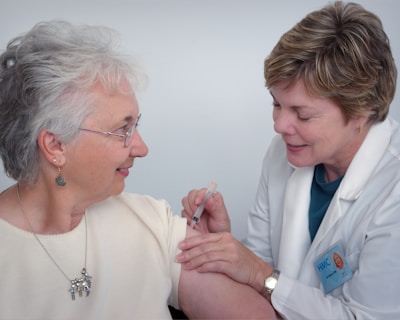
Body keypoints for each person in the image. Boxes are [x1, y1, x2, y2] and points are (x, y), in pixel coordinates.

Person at [0, 20, 276, 319]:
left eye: (136, 125)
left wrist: (221, 253)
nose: (142, 148)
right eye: (123, 129)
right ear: (55, 146)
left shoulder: (151, 223)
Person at [176, 1, 400, 319]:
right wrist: (224, 243)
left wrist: (258, 273)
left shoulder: (393, 191)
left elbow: (366, 316)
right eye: (277, 104)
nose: (279, 126)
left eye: (302, 114)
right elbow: (259, 276)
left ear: (360, 111)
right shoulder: (284, 152)